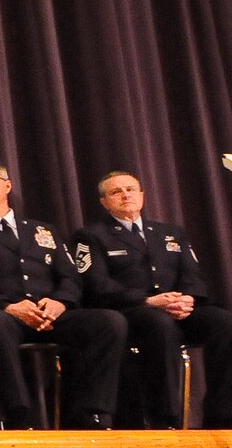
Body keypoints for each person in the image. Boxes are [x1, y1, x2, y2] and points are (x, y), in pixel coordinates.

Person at [0, 157, 124, 429]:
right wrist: (8, 306)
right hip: (4, 313)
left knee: (109, 322)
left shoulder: (43, 230)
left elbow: (70, 276)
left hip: (49, 312)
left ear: (8, 185)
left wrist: (60, 302)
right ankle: (18, 414)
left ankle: (92, 412)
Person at [72, 170, 232, 428]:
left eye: (130, 189)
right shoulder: (91, 236)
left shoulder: (170, 232)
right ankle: (167, 418)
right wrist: (149, 300)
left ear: (142, 195)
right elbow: (97, 284)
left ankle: (222, 415)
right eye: (116, 191)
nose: (125, 195)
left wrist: (188, 298)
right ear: (104, 201)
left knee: (224, 322)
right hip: (133, 310)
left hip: (178, 306)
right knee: (161, 325)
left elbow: (193, 274)